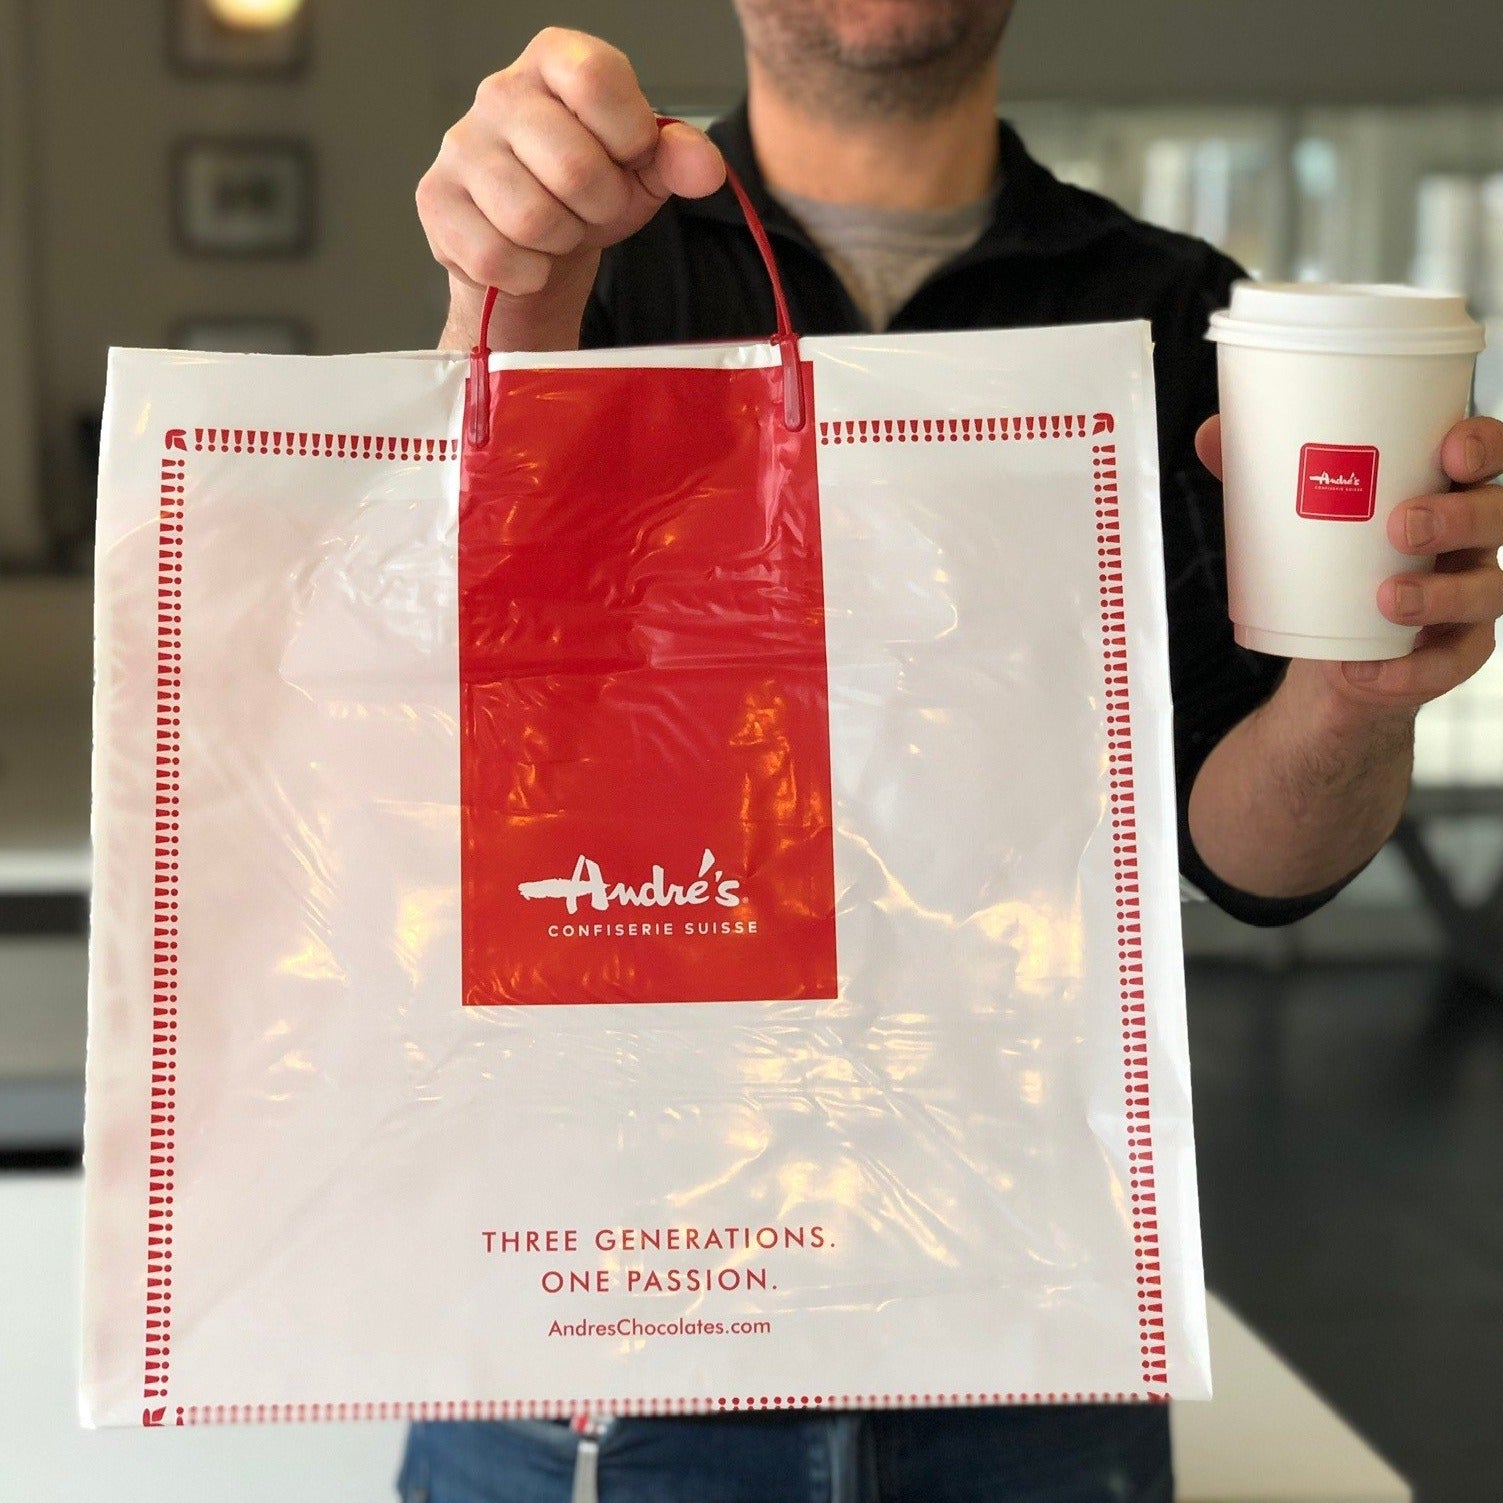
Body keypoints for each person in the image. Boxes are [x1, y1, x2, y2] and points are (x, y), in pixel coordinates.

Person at [405, 4, 1503, 1498]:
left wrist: (1351, 696)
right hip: (599, 1307)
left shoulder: (1175, 307)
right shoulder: (585, 256)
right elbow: (427, 735)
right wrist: (499, 317)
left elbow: (1244, 862)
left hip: (1023, 1316)